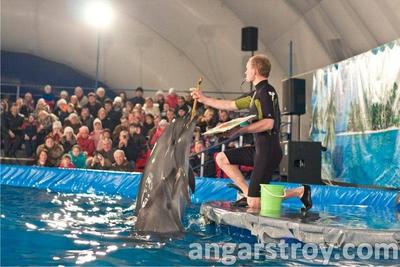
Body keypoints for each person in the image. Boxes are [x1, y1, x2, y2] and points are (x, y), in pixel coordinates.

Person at [191, 54, 312, 211]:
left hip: (268, 151)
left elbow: (269, 123)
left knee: (255, 204)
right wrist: (203, 99)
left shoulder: (266, 91)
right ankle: (247, 192)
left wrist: (240, 130)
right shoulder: (255, 93)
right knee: (221, 158)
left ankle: (299, 191)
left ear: (255, 70)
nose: (245, 72)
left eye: (247, 68)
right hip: (259, 150)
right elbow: (230, 104)